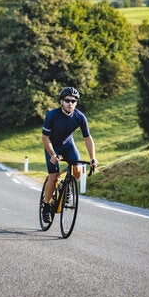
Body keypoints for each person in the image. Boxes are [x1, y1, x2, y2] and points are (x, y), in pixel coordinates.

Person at [40, 86, 97, 224]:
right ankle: (46, 206)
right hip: (52, 146)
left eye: (74, 101)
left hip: (68, 145)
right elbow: (45, 138)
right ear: (61, 102)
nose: (70, 103)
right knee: (53, 178)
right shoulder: (52, 115)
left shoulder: (79, 117)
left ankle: (67, 189)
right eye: (67, 100)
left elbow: (88, 138)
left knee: (77, 170)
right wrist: (53, 154)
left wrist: (92, 158)